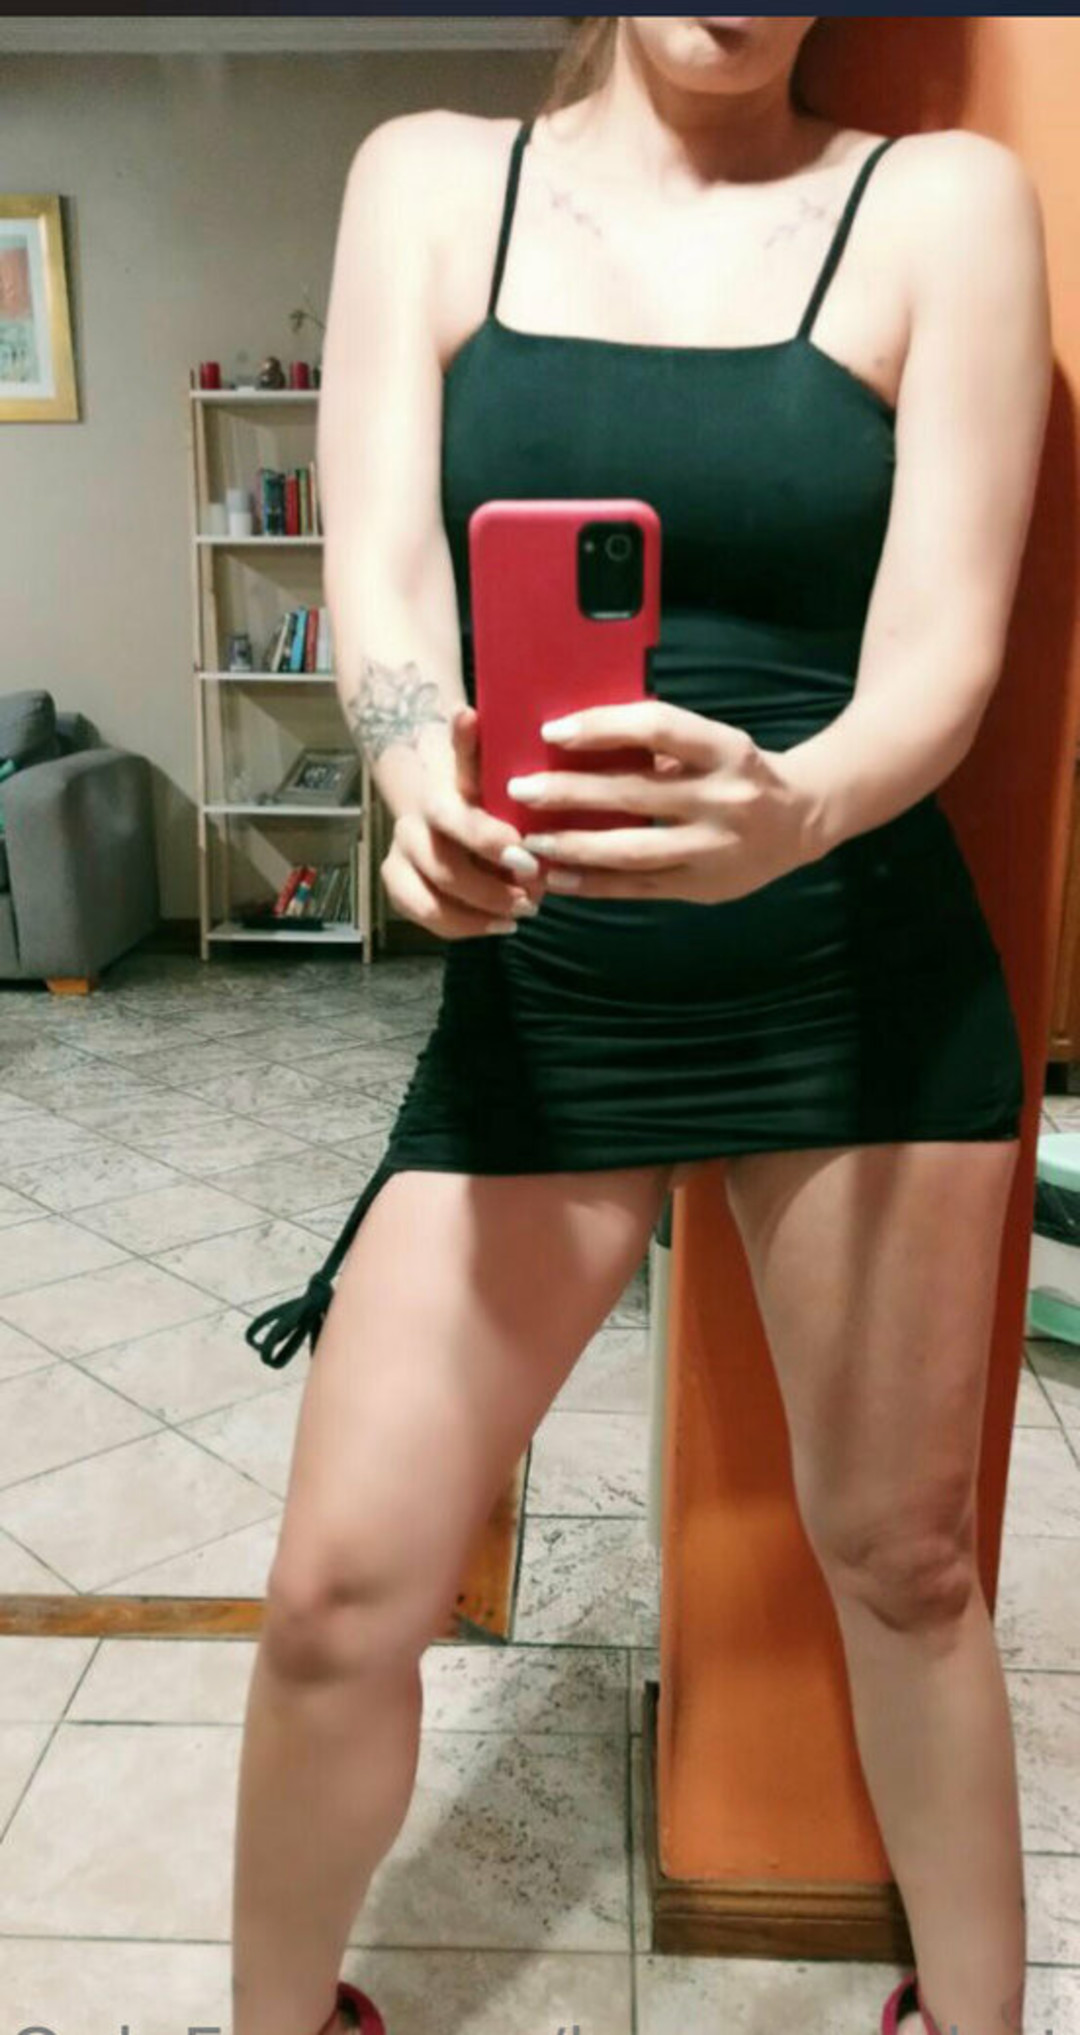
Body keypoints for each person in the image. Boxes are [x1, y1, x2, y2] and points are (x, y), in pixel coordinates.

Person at [231, 17, 1053, 2035]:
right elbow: (385, 576)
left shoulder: (944, 205)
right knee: (336, 1598)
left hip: (857, 975)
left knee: (910, 1570)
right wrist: (414, 784)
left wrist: (795, 810)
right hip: (556, 979)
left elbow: (945, 657)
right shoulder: (430, 180)